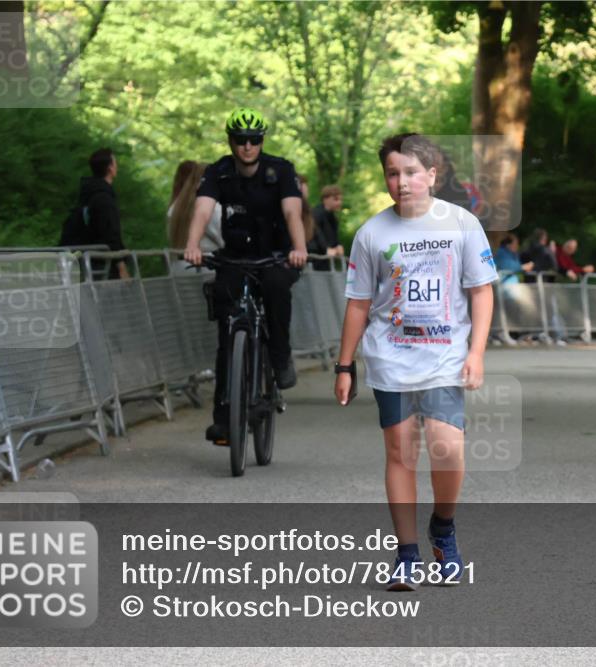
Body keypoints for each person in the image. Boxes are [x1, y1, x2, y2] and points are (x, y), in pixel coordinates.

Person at [333, 133, 497, 590]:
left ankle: (442, 527)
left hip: (445, 356)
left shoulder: (461, 224)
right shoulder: (371, 234)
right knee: (400, 452)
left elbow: (481, 292)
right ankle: (406, 554)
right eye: (392, 173)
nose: (401, 182)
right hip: (390, 358)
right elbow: (359, 304)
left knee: (447, 447)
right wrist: (344, 366)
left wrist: (477, 353)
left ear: (431, 175)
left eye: (410, 172)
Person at [184, 107, 308, 445]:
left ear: (262, 141)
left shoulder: (280, 170)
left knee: (277, 289)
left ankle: (280, 357)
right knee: (228, 330)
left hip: (276, 257)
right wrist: (192, 245)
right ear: (231, 141)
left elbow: (291, 211)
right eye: (241, 140)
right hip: (235, 258)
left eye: (254, 140)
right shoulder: (218, 172)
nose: (248, 146)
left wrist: (299, 247)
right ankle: (224, 421)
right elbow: (203, 209)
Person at [60, 147, 129, 279]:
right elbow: (111, 234)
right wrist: (121, 266)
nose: (117, 166)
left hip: (86, 261)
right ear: (110, 168)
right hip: (102, 264)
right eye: (115, 163)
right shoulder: (104, 199)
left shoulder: (87, 194)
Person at [167, 161, 223, 270]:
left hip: (178, 268)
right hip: (205, 268)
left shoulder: (174, 208)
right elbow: (225, 239)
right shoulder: (211, 208)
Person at [308, 184, 345, 270]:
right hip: (315, 259)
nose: (339, 202)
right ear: (325, 199)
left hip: (325, 260)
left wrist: (338, 245)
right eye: (336, 199)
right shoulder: (316, 213)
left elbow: (333, 237)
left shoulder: (333, 218)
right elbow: (316, 233)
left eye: (340, 200)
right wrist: (326, 249)